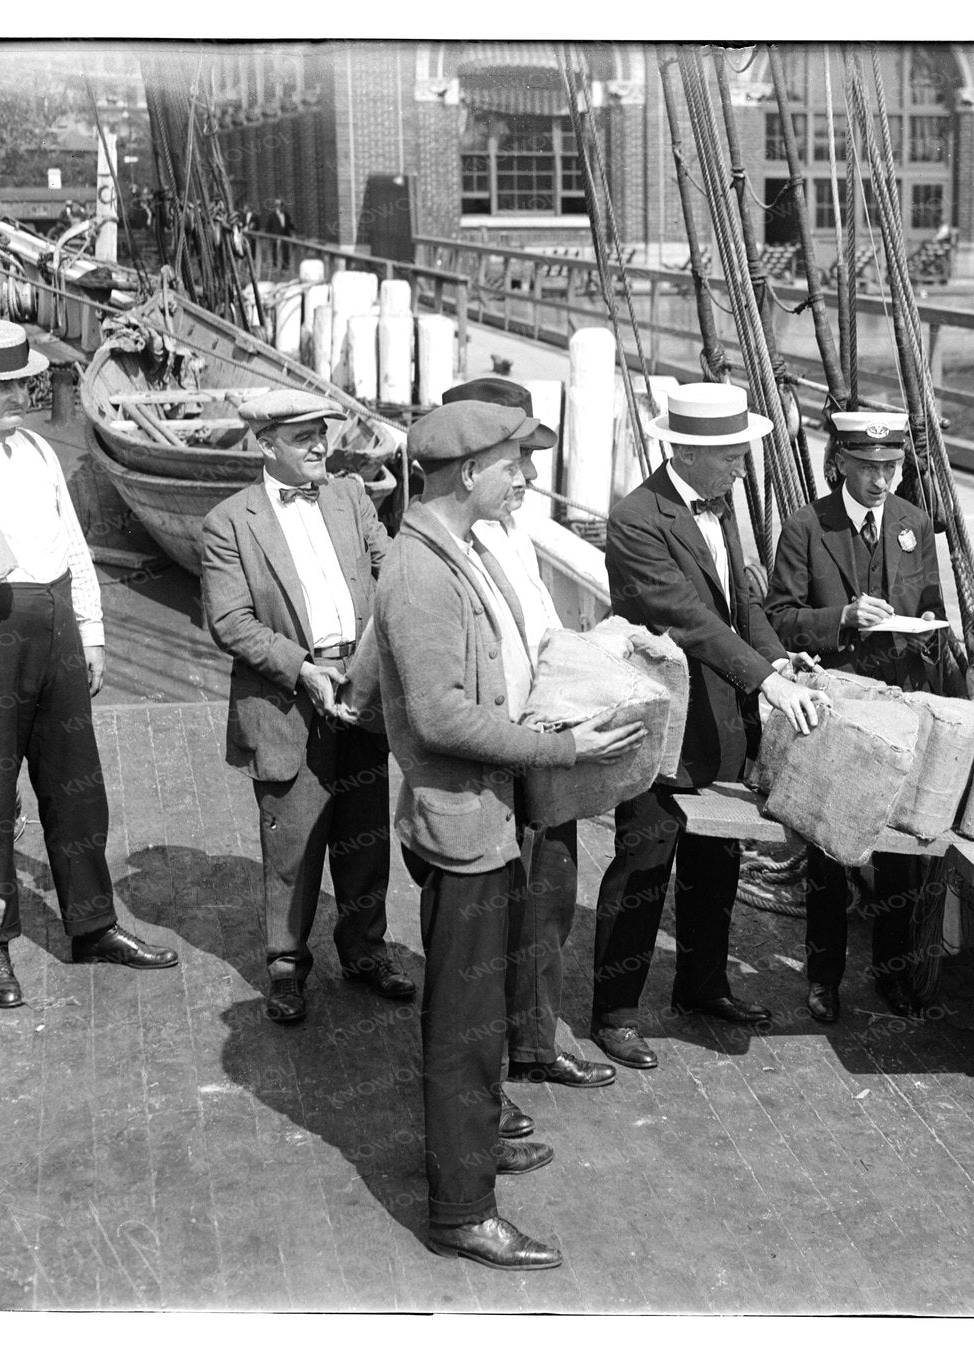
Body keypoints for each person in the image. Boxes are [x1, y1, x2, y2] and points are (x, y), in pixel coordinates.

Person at [370, 399, 648, 1269]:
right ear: (465, 474)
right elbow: (442, 714)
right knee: (460, 1022)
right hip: (462, 828)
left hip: (482, 821)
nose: (526, 477)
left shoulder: (457, 552)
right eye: (512, 465)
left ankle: (472, 1149)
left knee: (479, 1011)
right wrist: (561, 747)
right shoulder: (421, 571)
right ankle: (461, 1210)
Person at [0, 318, 180, 1009]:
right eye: (2, 384)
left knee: (77, 789)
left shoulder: (40, 450)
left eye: (24, 380)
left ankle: (93, 925)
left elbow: (74, 546)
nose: (20, 392)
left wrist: (93, 633)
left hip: (57, 622)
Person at [590, 383, 828, 1071]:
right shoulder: (636, 519)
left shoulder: (721, 505)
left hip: (721, 722)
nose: (741, 470)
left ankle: (702, 983)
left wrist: (781, 658)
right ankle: (616, 1010)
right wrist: (767, 681)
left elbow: (740, 601)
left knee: (716, 860)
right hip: (663, 722)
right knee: (645, 857)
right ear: (687, 452)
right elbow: (686, 618)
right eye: (730, 457)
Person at [199, 392, 413, 1025]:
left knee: (366, 834)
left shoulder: (350, 496)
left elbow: (392, 571)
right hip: (288, 697)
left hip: (362, 685)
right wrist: (305, 670)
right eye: (302, 438)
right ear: (267, 446)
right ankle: (287, 966)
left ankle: (365, 950)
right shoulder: (229, 522)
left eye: (322, 432)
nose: (320, 445)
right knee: (292, 844)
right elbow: (231, 623)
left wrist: (372, 669)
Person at [438, 376, 617, 1092]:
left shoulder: (512, 530)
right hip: (493, 759)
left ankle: (534, 1046)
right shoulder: (450, 548)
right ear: (474, 462)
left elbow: (540, 630)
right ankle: (484, 1090)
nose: (534, 477)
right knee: (484, 934)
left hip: (542, 746)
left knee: (547, 905)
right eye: (520, 460)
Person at [765, 411, 948, 1021]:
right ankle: (824, 978)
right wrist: (840, 618)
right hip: (836, 708)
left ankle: (891, 976)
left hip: (897, 707)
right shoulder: (806, 526)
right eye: (869, 469)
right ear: (840, 462)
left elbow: (931, 608)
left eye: (890, 469)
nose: (879, 482)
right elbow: (780, 617)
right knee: (827, 848)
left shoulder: (914, 525)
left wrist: (925, 628)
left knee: (898, 849)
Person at [267, 197, 295, 272]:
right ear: (277, 206)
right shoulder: (271, 216)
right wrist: (270, 236)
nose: (282, 207)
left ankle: (284, 268)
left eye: (283, 205)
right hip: (275, 237)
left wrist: (294, 228)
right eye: (280, 205)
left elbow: (289, 225)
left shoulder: (286, 215)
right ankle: (275, 266)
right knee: (275, 252)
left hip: (285, 237)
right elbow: (268, 228)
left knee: (285, 252)